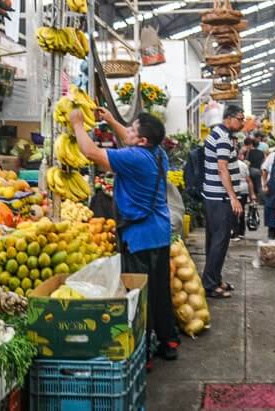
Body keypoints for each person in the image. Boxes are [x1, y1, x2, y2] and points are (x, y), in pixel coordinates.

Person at [69, 107, 179, 361]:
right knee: (160, 291)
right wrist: (110, 121)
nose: (126, 130)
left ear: (141, 141)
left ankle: (144, 352)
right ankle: (169, 341)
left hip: (138, 237)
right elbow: (129, 137)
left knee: (138, 296)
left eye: (132, 129)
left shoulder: (135, 158)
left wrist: (77, 124)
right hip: (159, 233)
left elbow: (91, 153)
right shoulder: (158, 153)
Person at [202, 103, 245, 298]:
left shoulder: (221, 134)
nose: (242, 122)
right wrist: (233, 197)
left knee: (215, 241)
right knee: (219, 241)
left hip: (214, 197)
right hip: (220, 198)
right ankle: (210, 284)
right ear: (229, 118)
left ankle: (214, 278)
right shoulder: (223, 138)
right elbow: (222, 169)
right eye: (240, 118)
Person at [230, 143, 255, 241]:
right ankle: (241, 232)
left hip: (235, 190)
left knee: (234, 212)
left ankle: (235, 233)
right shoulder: (243, 165)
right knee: (242, 210)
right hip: (243, 190)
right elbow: (249, 180)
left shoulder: (229, 164)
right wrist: (252, 193)